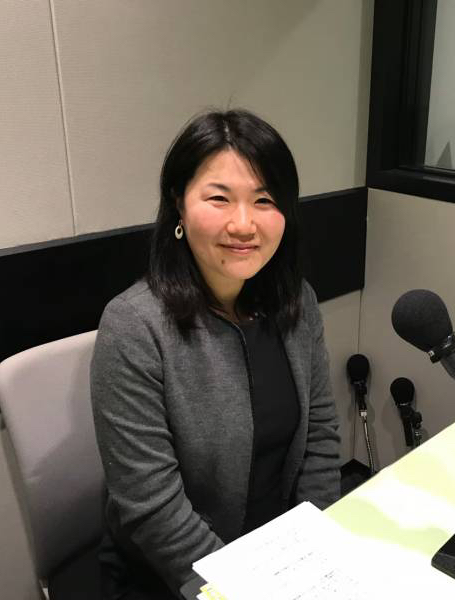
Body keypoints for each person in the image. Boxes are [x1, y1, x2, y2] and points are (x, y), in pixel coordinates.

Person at [90, 109, 341, 599]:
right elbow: (153, 508)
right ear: (179, 205)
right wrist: (239, 588)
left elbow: (321, 438)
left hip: (283, 560)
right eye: (219, 198)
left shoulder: (297, 302)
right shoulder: (134, 326)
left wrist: (317, 552)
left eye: (264, 200)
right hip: (175, 578)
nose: (243, 224)